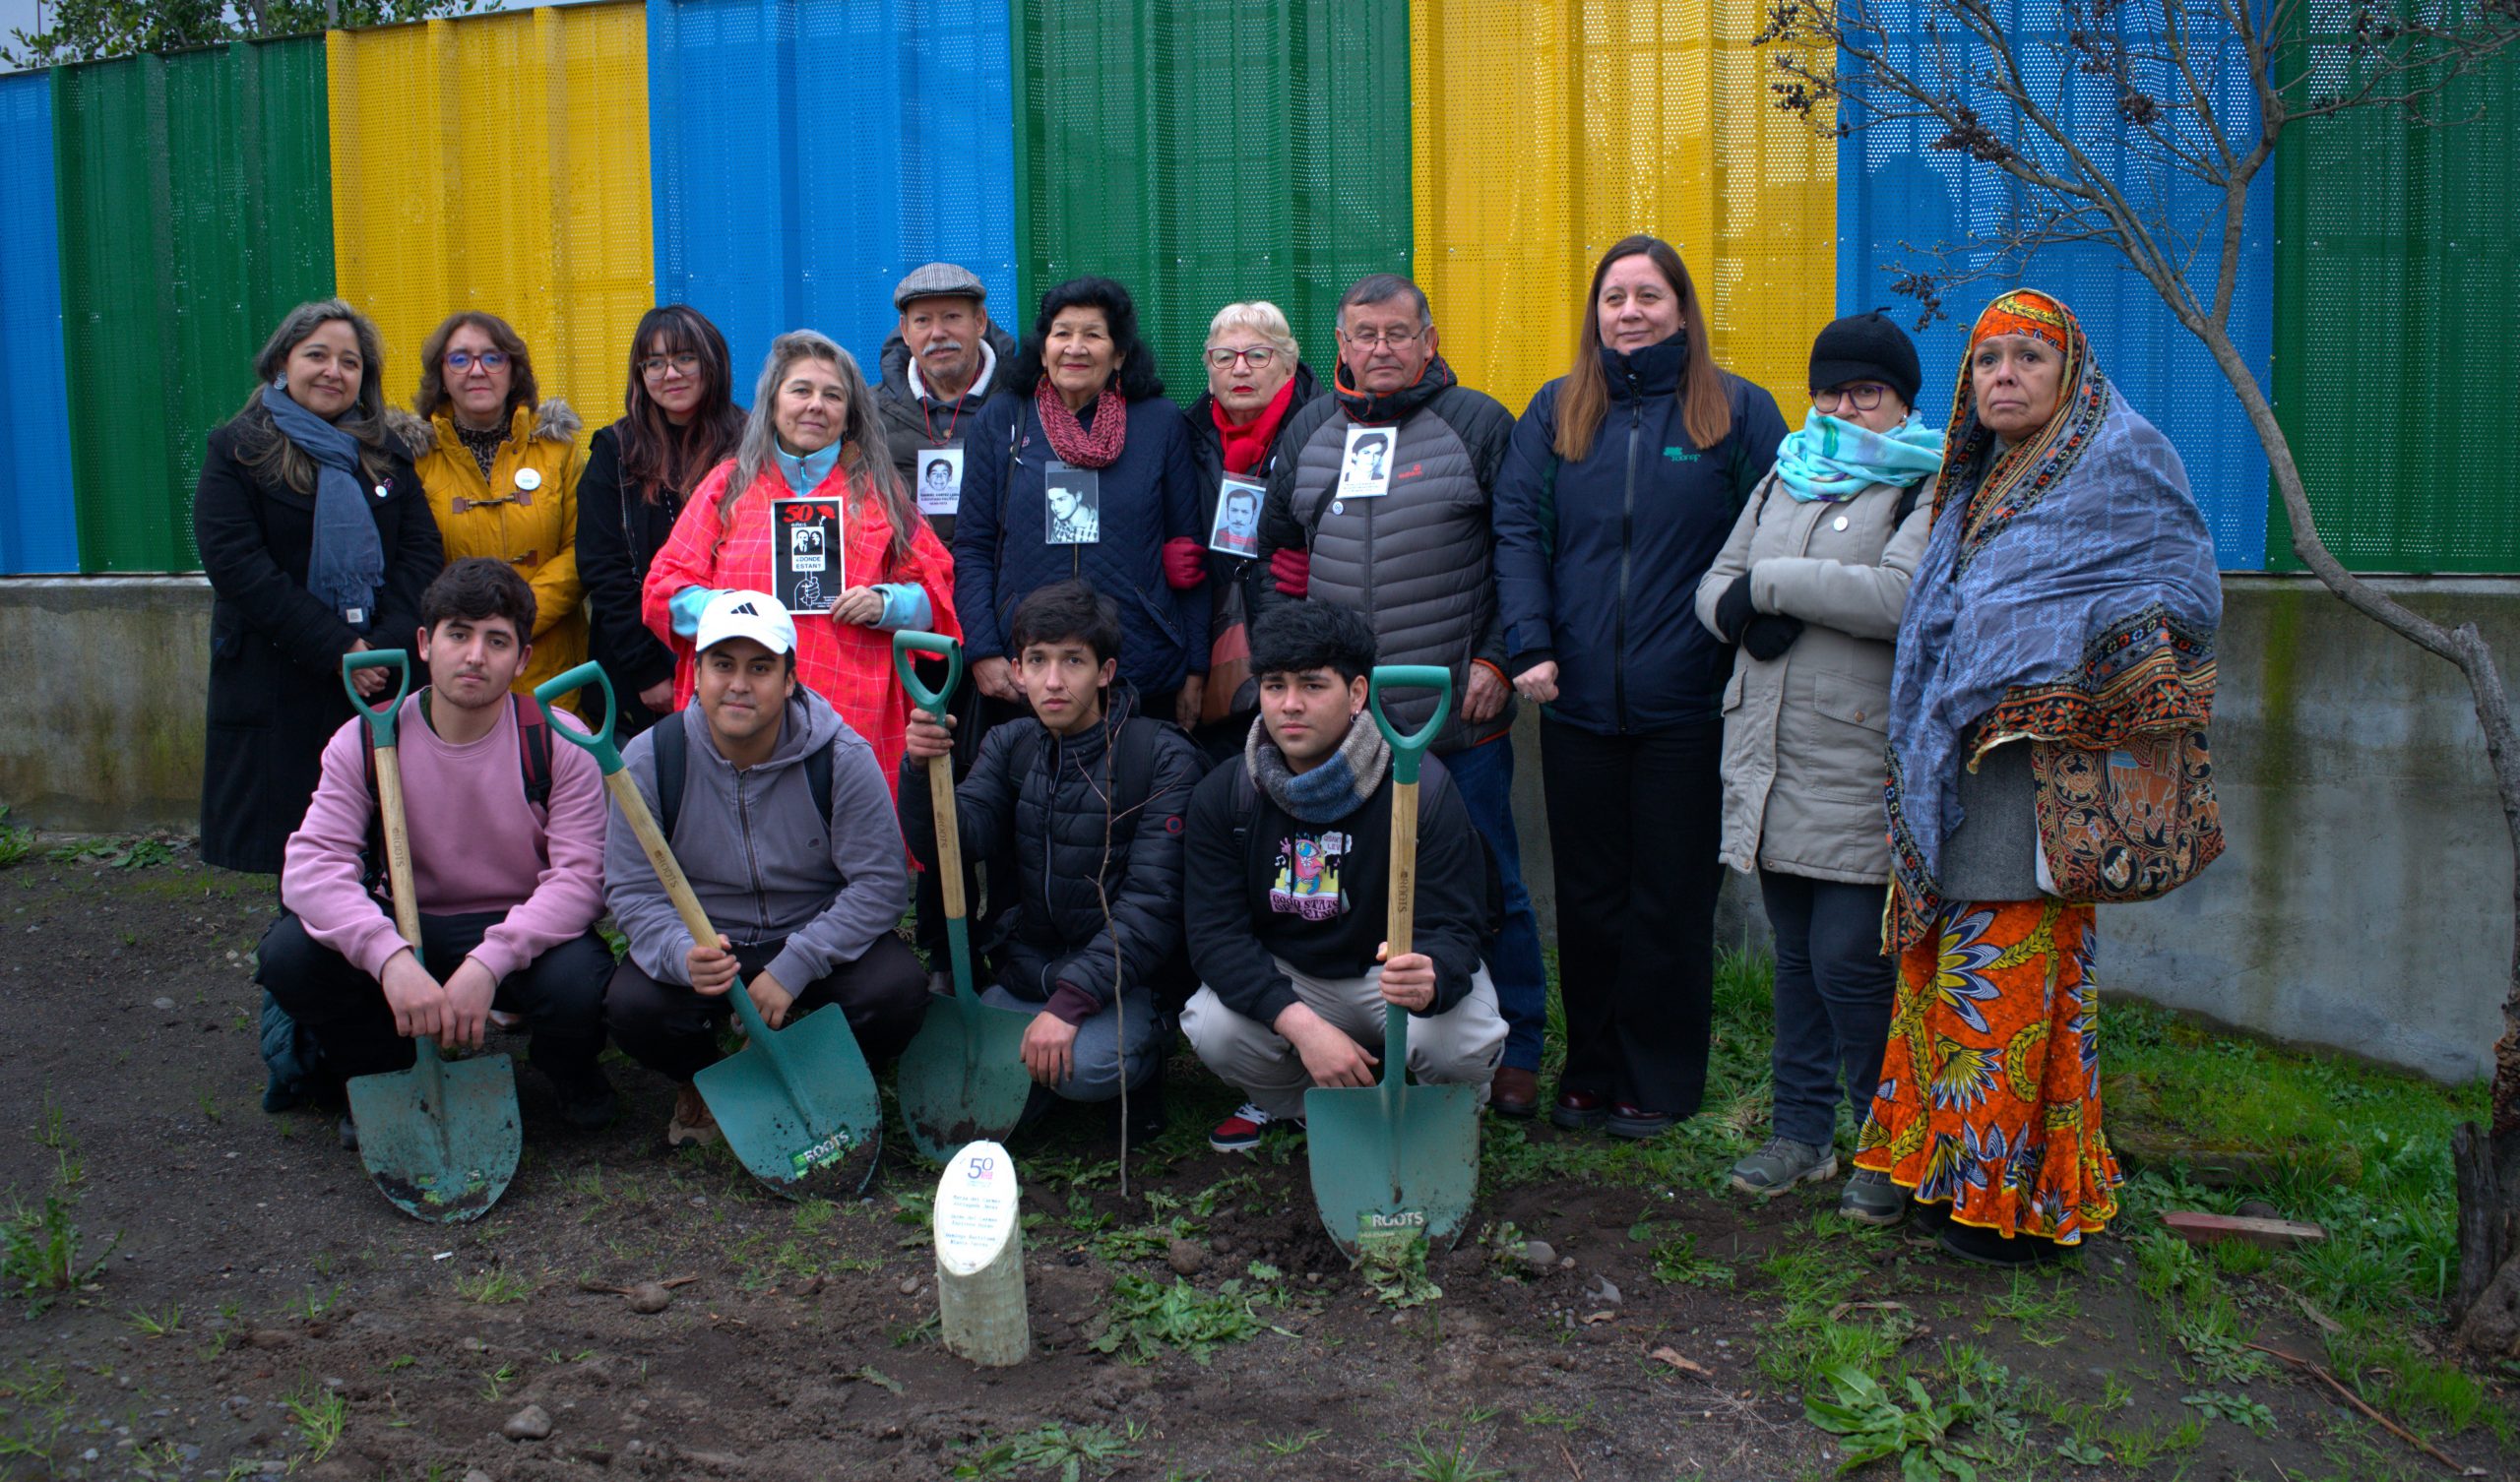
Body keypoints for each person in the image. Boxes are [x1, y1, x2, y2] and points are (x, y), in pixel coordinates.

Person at [1862, 288, 2221, 1265]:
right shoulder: (1981, 478)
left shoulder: (2125, 458)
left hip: (2044, 776)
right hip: (1963, 760)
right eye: (1986, 361)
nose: (2004, 377)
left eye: (2028, 358)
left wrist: (2064, 658)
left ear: (2072, 374)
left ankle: (2006, 1209)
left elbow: (2186, 584)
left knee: (2014, 980)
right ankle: (1962, 1187)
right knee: (1956, 976)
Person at [1493, 236, 1789, 1138]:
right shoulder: (1556, 412)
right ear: (1596, 313)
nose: (1629, 311)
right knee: (1587, 896)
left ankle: (1657, 1079)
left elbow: (1777, 531)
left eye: (1648, 295)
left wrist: (1737, 639)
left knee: (1669, 894)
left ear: (1681, 308)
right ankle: (1588, 1071)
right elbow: (1518, 530)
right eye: (1614, 296)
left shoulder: (1733, 412)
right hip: (1574, 700)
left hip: (1688, 706)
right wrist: (1529, 647)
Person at [1250, 274, 1548, 1121]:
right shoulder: (1310, 430)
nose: (1380, 350)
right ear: (1339, 345)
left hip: (1456, 716)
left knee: (1496, 885)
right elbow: (1278, 558)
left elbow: (1518, 552)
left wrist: (1495, 658)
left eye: (1397, 334)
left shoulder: (1478, 424)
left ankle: (1518, 1045)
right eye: (1362, 335)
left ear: (1429, 339)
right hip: (1342, 734)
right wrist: (1289, 663)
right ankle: (1363, 1041)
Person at [1689, 312, 1940, 1220]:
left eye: (1865, 391)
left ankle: (1890, 1142)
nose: (1845, 406)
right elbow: (1713, 585)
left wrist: (1770, 589)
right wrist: (1740, 611)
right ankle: (1802, 1134)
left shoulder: (1927, 484)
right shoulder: (1784, 476)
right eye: (1830, 389)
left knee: (1851, 962)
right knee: (1794, 958)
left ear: (1902, 399)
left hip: (1858, 756)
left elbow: (1901, 596)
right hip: (1769, 755)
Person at [258, 559, 615, 1136]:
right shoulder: (369, 739)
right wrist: (388, 956)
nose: (475, 656)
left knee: (583, 979)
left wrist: (489, 962)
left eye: (497, 641)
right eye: (458, 634)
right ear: (425, 644)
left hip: (514, 924)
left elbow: (580, 881)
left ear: (522, 659)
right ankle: (378, 1073)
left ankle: (567, 1070)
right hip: (403, 920)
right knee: (290, 956)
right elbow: (310, 870)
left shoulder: (555, 743)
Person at [603, 590, 931, 1145]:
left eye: (760, 667)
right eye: (722, 665)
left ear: (789, 680)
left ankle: (807, 1068)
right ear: (698, 673)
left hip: (812, 929)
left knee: (895, 994)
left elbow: (881, 885)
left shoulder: (841, 757)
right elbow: (632, 889)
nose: (739, 683)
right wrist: (681, 954)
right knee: (632, 1007)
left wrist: (796, 963)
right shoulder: (651, 759)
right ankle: (699, 1079)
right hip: (708, 940)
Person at [1180, 602, 1504, 1150]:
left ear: (1357, 695)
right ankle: (1313, 1104)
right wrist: (1301, 1026)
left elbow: (1456, 922)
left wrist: (1433, 974)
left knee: (1461, 1042)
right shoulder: (1229, 794)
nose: (1290, 706)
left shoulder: (1417, 786)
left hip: (1388, 977)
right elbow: (1217, 938)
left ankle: (1437, 1116)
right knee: (1213, 1026)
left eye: (1312, 686)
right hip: (1295, 978)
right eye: (1275, 686)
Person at [899, 581, 1206, 1133]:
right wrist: (924, 775)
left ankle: (1138, 1056)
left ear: (1105, 671)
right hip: (1028, 970)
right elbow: (953, 844)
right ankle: (1041, 1085)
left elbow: (1153, 905)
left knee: (1082, 1068)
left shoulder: (1158, 758)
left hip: (1123, 980)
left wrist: (1069, 1005)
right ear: (1017, 671)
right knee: (1011, 1061)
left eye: (1073, 661)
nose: (1054, 681)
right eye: (1037, 661)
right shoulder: (1010, 745)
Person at [641, 331, 959, 795]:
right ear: (772, 403)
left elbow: (937, 592)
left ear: (849, 415)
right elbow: (661, 592)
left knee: (846, 843)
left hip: (851, 713)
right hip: (741, 709)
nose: (816, 405)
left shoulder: (878, 492)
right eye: (801, 390)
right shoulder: (727, 486)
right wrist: (728, 609)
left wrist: (884, 602)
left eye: (833, 395)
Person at [196, 299, 445, 876]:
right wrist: (338, 649)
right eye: (318, 355)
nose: (334, 371)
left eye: (350, 362)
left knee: (391, 849)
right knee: (302, 851)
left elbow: (420, 555)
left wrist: (379, 649)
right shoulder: (236, 450)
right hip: (283, 677)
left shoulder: (386, 455)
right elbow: (236, 565)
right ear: (283, 362)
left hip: (386, 675)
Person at [952, 278, 1210, 732]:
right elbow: (972, 545)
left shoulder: (1159, 423)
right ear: (1043, 347)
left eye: (1093, 334)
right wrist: (984, 650)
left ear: (1119, 354)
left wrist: (1196, 668)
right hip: (1029, 665)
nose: (1075, 347)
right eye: (1062, 333)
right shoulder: (1003, 417)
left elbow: (1186, 555)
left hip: (1140, 661)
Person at [577, 305, 747, 742]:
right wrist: (648, 670)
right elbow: (604, 569)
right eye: (654, 363)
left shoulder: (752, 444)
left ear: (712, 361)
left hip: (739, 665)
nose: (670, 374)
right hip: (640, 681)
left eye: (684, 358)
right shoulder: (614, 452)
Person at [400, 312, 588, 707]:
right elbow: (410, 561)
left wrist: (519, 617)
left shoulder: (559, 451)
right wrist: (475, 626)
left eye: (492, 357)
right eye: (460, 359)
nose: (477, 370)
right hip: (458, 665)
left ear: (513, 369)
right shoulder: (412, 459)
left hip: (550, 666)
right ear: (441, 375)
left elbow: (580, 550)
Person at [1180, 301, 1319, 760]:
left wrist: (1319, 566)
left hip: (1298, 637)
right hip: (1215, 636)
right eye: (1225, 357)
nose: (1240, 369)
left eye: (1258, 355)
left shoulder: (1323, 429)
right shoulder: (1186, 436)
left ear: (1287, 365)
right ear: (1210, 369)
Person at [877, 262, 1019, 547]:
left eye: (952, 317)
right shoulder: (870, 414)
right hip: (907, 588)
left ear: (980, 321)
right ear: (905, 331)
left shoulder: (1025, 403)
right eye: (922, 321)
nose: (938, 333)